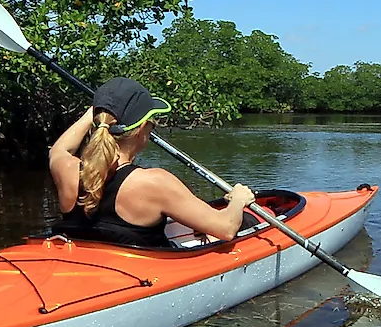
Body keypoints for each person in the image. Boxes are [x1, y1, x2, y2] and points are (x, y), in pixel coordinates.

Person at [48, 78, 256, 247]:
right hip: (141, 275)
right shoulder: (154, 183)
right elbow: (226, 228)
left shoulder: (66, 169)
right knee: (244, 222)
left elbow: (59, 150)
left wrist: (96, 114)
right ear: (142, 129)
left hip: (90, 267)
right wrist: (238, 199)